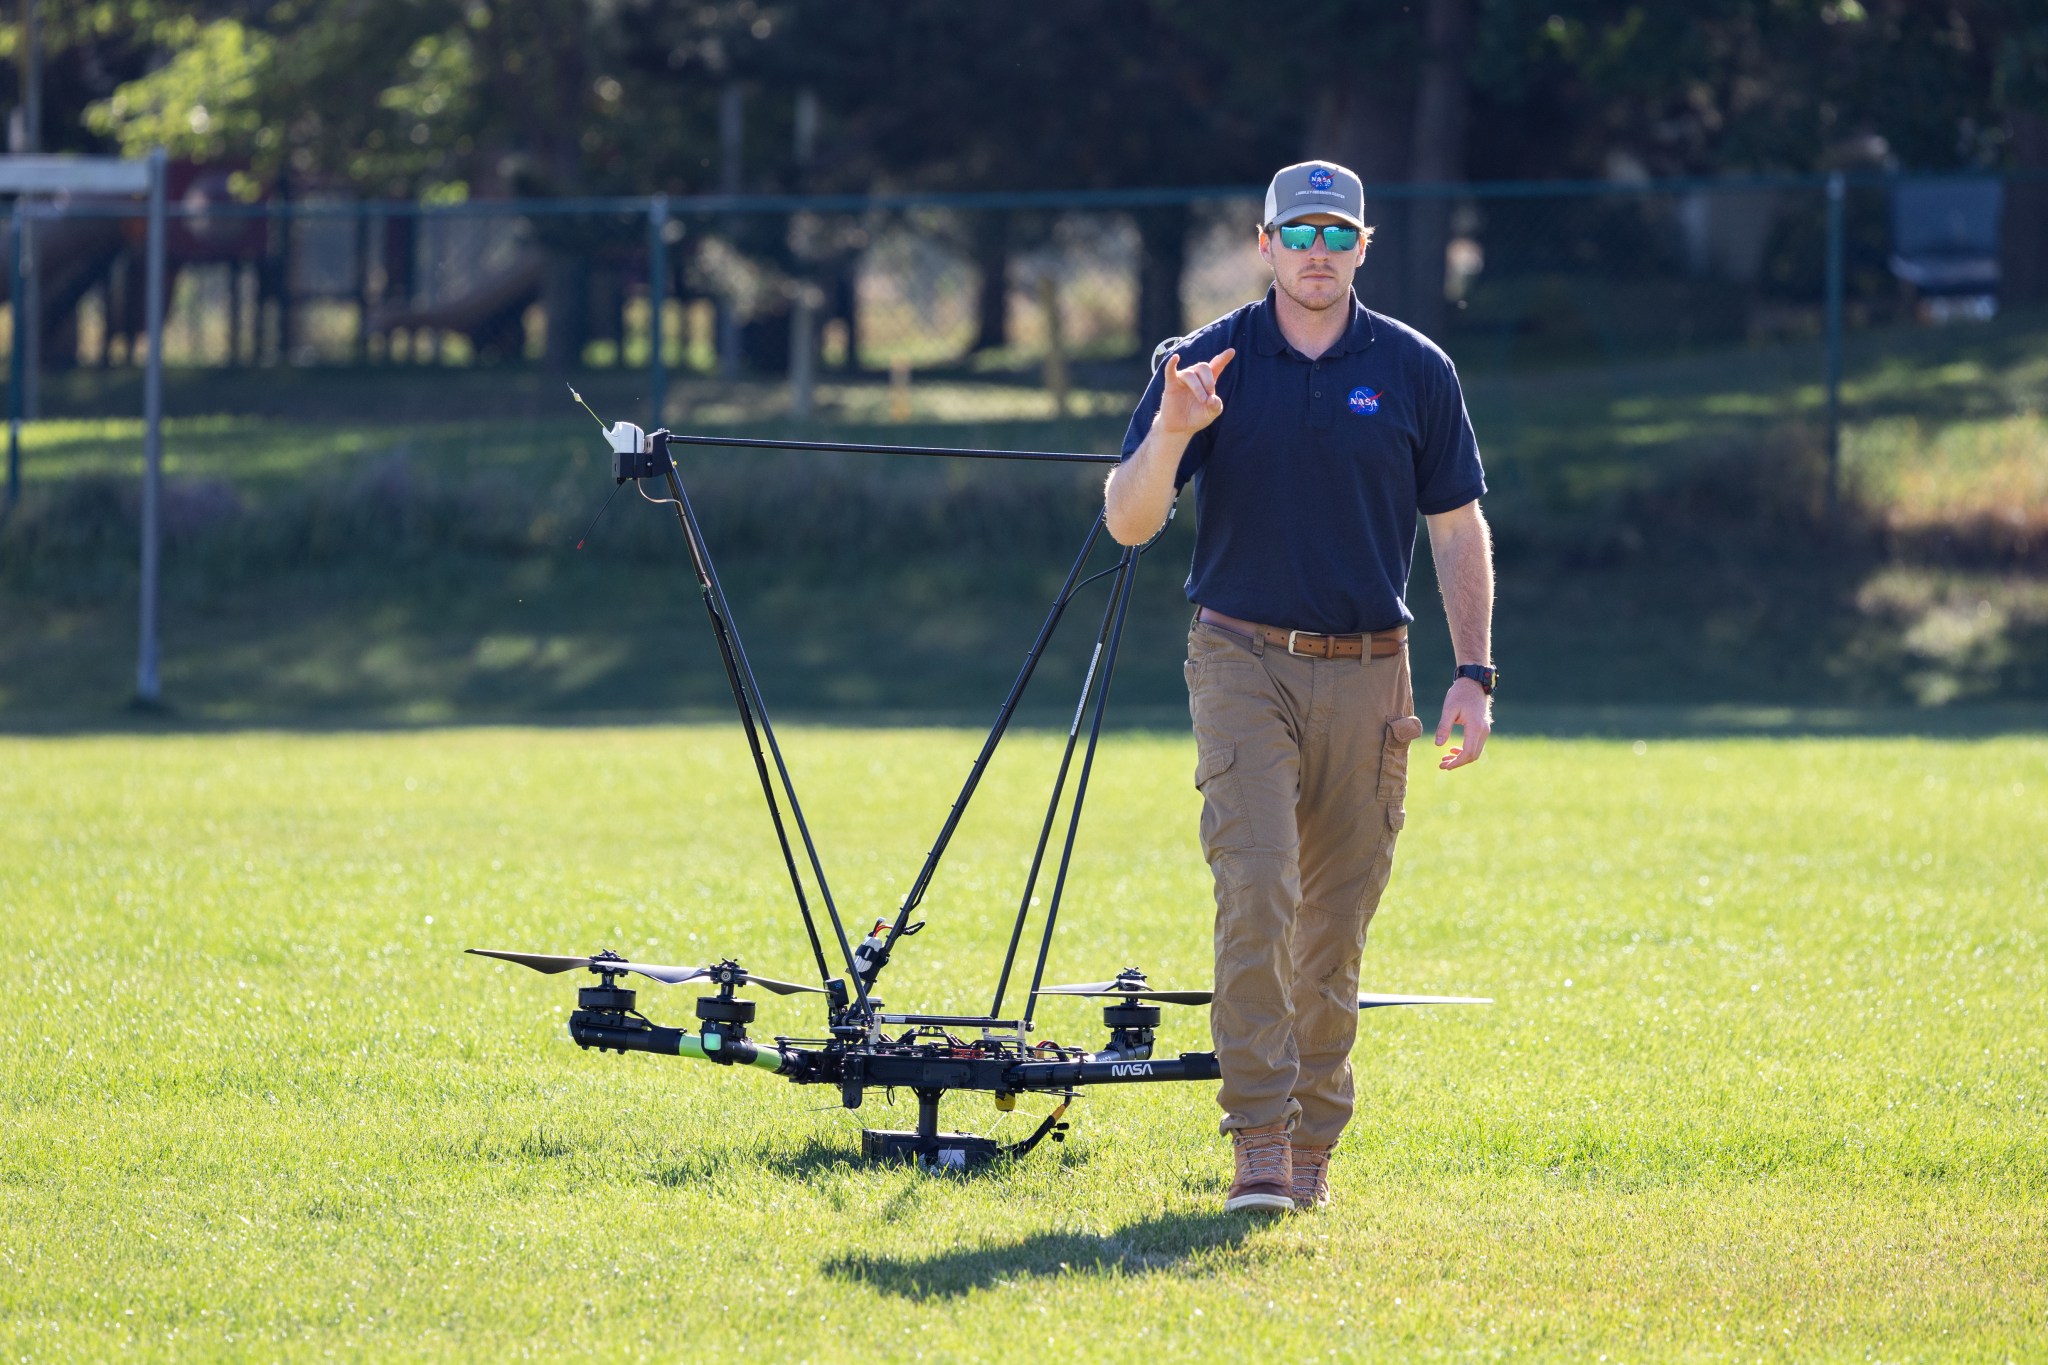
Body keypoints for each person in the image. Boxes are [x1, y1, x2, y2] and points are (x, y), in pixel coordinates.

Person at [1104, 161, 1496, 1214]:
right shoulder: (1202, 361)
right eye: (1298, 234)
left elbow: (1456, 526)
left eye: (1336, 234)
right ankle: (1258, 1142)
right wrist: (1177, 428)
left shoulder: (1414, 369)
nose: (1316, 253)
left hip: (1376, 674)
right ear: (1263, 244)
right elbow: (1127, 520)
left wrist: (1471, 673)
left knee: (1333, 924)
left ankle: (1314, 1142)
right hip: (1240, 660)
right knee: (1257, 891)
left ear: (1361, 246)